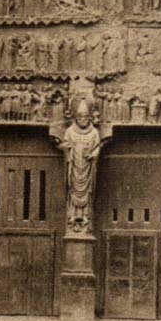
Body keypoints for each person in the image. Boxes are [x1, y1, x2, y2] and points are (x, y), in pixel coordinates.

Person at [56, 100, 102, 233]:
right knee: (73, 190)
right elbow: (65, 145)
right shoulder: (70, 131)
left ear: (89, 118)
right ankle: (73, 217)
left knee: (87, 192)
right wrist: (65, 148)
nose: (83, 120)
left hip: (87, 168)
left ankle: (85, 217)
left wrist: (93, 154)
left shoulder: (94, 132)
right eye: (80, 117)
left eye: (85, 117)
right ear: (76, 118)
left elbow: (97, 147)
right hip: (74, 166)